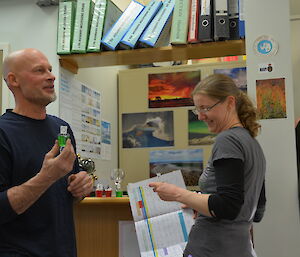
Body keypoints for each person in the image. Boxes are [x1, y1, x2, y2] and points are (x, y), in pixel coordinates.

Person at [150, 74, 266, 257]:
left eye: (205, 108)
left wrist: (178, 194)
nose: (201, 116)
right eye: (197, 109)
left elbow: (227, 206)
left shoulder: (227, 140)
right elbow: (257, 210)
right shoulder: (252, 143)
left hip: (212, 248)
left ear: (229, 103)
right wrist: (201, 205)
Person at [0, 48, 93, 257]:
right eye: (39, 70)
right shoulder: (3, 133)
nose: (51, 76)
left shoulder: (62, 128)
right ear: (13, 80)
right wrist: (46, 177)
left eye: (50, 70)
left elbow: (69, 193)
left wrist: (81, 186)